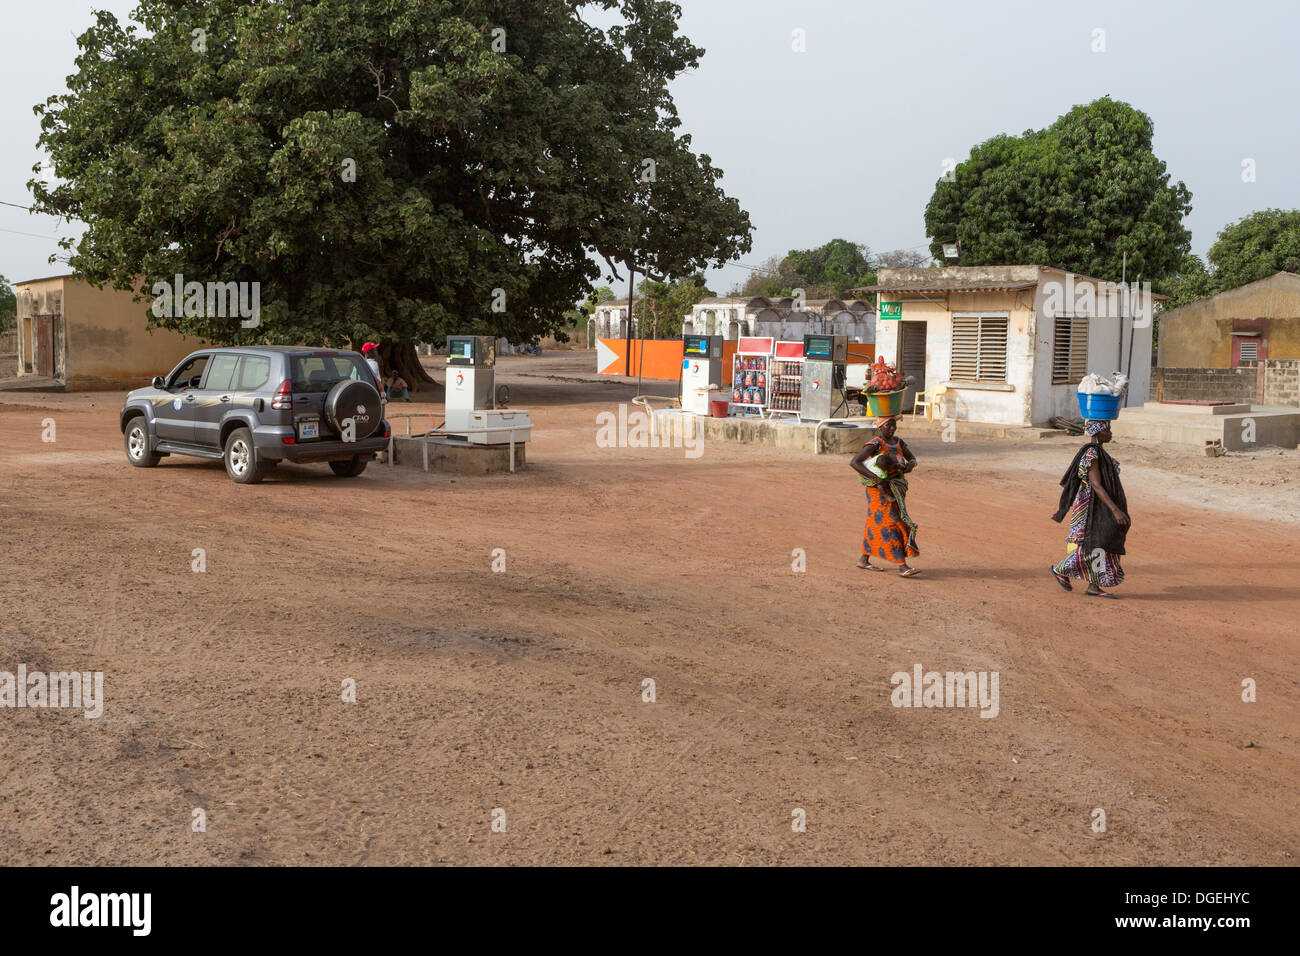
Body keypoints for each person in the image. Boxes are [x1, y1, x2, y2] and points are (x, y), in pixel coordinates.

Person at [1049, 419, 1130, 598]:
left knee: (1104, 543)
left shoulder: (1100, 452)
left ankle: (1094, 586)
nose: (1110, 432)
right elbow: (1096, 484)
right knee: (1094, 544)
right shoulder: (1091, 453)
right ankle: (1061, 569)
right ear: (1097, 432)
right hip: (1092, 507)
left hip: (1101, 504)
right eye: (1107, 429)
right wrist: (1115, 510)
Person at [850, 416, 920, 577]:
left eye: (893, 425)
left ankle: (863, 559)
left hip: (894, 488)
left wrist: (911, 464)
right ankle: (902, 565)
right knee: (892, 522)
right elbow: (855, 462)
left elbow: (913, 458)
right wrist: (877, 479)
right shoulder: (875, 443)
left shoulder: (899, 442)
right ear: (880, 427)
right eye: (888, 425)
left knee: (876, 522)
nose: (891, 428)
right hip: (878, 490)